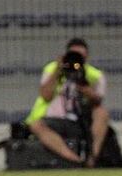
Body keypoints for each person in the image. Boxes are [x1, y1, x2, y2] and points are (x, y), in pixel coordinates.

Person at [25, 38, 109, 167]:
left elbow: (98, 101)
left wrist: (83, 85)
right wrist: (58, 71)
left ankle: (92, 158)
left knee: (102, 113)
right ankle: (74, 160)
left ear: (86, 57)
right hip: (54, 119)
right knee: (36, 125)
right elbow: (45, 95)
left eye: (80, 56)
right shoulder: (52, 69)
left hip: (81, 120)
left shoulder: (94, 75)